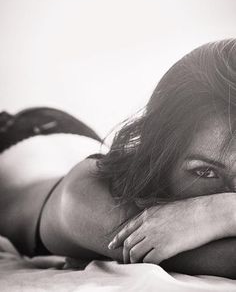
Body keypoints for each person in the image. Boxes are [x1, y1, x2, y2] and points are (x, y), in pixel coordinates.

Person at [1, 39, 236, 278]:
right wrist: (218, 213)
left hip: (67, 141)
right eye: (205, 172)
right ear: (160, 158)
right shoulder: (86, 199)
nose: (230, 193)